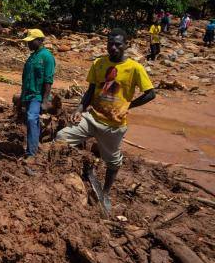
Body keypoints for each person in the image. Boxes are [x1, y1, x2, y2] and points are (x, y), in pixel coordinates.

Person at [55, 29, 155, 210]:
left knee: (113, 162)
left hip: (114, 125)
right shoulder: (99, 63)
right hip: (92, 118)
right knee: (62, 137)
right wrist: (79, 109)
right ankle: (73, 171)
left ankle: (106, 192)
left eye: (118, 44)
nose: (113, 47)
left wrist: (129, 105)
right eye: (110, 43)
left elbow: (151, 94)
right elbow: (91, 91)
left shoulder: (135, 68)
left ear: (126, 45)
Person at [18, 28, 55, 159]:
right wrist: (22, 98)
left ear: (39, 40)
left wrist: (45, 101)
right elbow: (25, 79)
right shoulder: (32, 57)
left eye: (31, 41)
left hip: (37, 96)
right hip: (28, 96)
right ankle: (33, 147)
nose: (28, 44)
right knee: (31, 122)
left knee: (32, 119)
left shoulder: (47, 57)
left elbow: (48, 80)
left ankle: (31, 154)